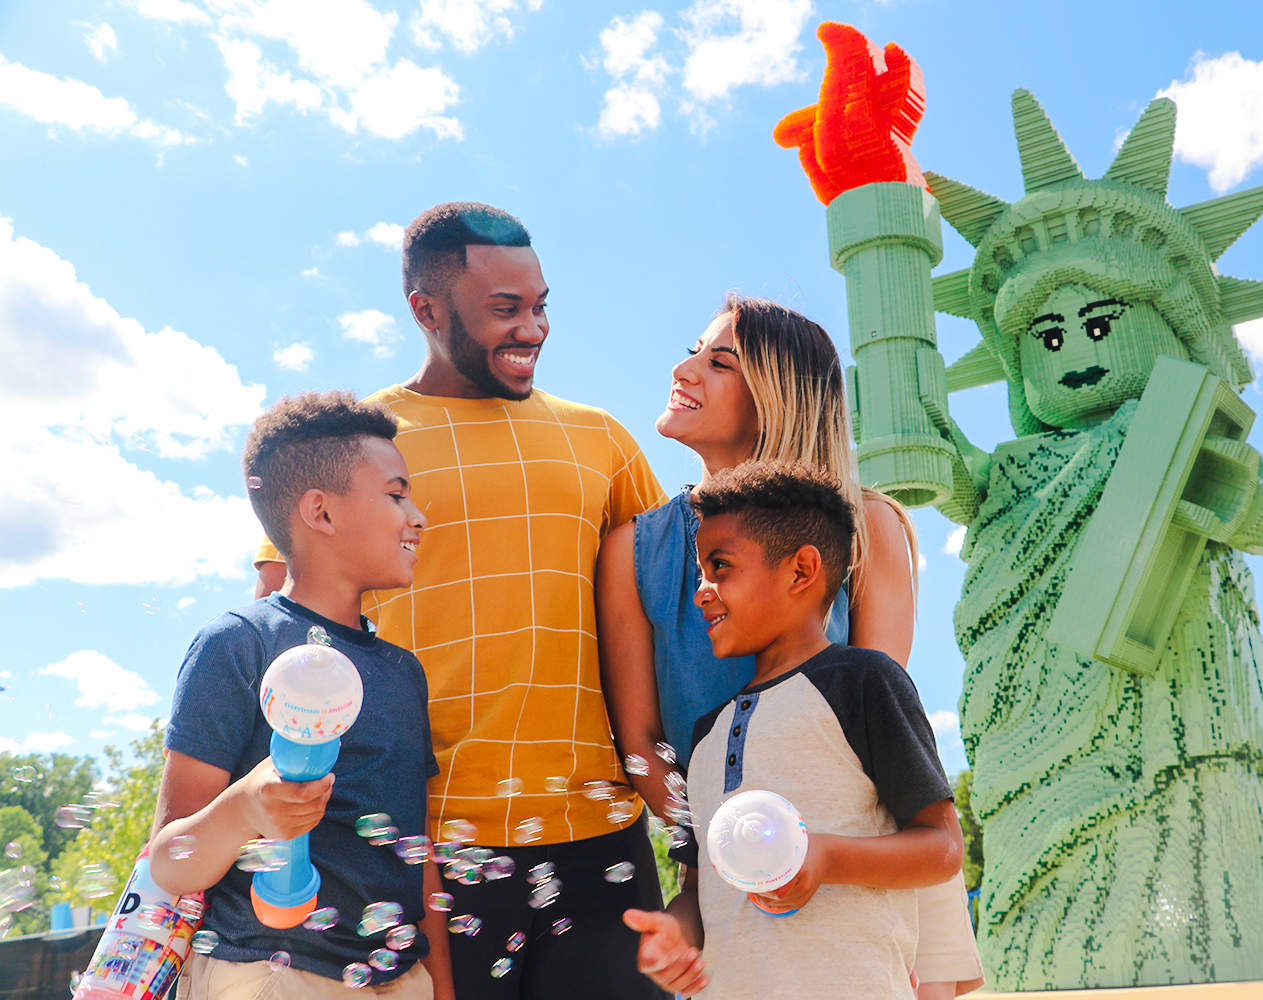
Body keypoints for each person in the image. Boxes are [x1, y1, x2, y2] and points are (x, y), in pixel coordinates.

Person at [255, 203, 668, 999]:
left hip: (598, 839)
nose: (533, 329)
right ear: (427, 309)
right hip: (421, 846)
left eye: (541, 305)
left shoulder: (605, 442)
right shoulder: (356, 447)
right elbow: (289, 635)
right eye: (505, 310)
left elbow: (670, 616)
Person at [596, 295, 982, 997]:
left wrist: (816, 854)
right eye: (694, 350)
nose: (684, 369)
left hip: (881, 860)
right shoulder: (631, 551)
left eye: (720, 361)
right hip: (726, 870)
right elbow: (642, 741)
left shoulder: (868, 527)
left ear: (779, 397)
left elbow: (880, 724)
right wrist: (733, 842)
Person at [621, 462, 963, 999]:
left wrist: (824, 856)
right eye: (699, 573)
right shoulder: (708, 733)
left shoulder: (864, 681)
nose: (701, 592)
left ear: (801, 571)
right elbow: (700, 886)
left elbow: (942, 847)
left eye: (721, 568)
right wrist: (676, 933)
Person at [151, 391, 449, 999]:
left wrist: (438, 986)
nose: (417, 516)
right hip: (272, 974)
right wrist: (245, 808)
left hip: (398, 979)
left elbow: (418, 861)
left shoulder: (402, 671)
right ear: (321, 511)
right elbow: (168, 862)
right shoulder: (238, 644)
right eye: (397, 494)